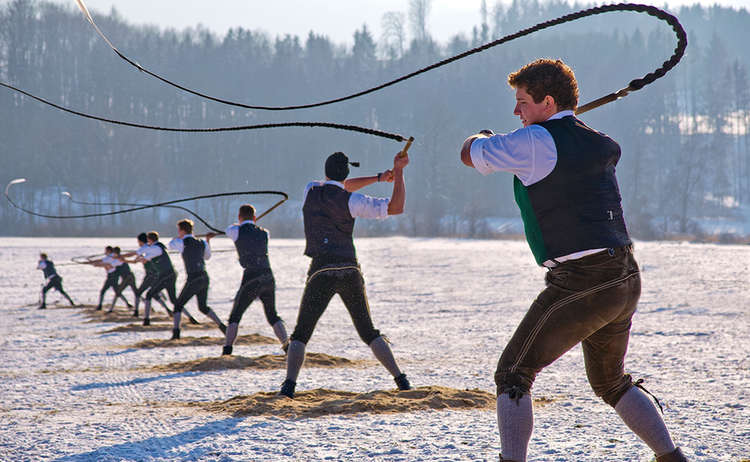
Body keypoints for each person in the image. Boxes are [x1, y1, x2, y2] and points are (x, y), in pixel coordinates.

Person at [459, 59, 686, 462]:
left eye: (523, 102)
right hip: (624, 276)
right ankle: (672, 458)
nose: (517, 112)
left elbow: (468, 154)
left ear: (547, 102)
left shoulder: (533, 142)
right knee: (611, 381)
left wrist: (485, 136)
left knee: (513, 374)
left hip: (583, 281)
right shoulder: (595, 139)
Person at [278, 150, 411, 398]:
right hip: (349, 269)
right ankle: (401, 380)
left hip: (321, 270)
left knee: (301, 333)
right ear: (346, 174)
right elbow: (396, 207)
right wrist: (398, 172)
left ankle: (288, 387)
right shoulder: (353, 200)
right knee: (368, 331)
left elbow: (339, 185)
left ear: (325, 171)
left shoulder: (311, 190)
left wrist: (381, 177)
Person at [222, 204, 288, 356]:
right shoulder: (265, 233)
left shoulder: (235, 230)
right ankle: (287, 347)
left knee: (235, 316)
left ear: (239, 217)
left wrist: (240, 224)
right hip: (268, 275)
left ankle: (227, 352)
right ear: (255, 217)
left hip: (251, 276)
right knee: (272, 315)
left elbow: (228, 229)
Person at [168, 219, 226, 340]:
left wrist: (177, 237)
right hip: (204, 277)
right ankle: (221, 325)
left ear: (182, 230)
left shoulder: (182, 242)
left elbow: (171, 244)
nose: (178, 232)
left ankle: (176, 333)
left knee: (178, 305)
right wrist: (208, 241)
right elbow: (207, 257)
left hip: (193, 278)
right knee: (203, 307)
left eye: (179, 230)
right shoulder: (202, 243)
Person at [120, 233, 173, 318]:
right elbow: (137, 259)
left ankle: (137, 313)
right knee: (154, 295)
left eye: (138, 241)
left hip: (150, 275)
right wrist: (124, 260)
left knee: (139, 293)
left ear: (141, 241)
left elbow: (137, 258)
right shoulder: (147, 248)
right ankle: (168, 310)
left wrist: (121, 257)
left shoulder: (146, 248)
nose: (138, 243)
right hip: (154, 274)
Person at [137, 231, 181, 328]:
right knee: (173, 300)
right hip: (168, 275)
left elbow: (142, 255)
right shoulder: (155, 248)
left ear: (149, 239)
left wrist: (136, 255)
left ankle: (146, 320)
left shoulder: (156, 248)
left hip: (166, 275)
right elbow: (143, 258)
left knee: (149, 295)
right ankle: (190, 318)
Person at [89, 246, 131, 311]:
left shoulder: (110, 257)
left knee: (104, 291)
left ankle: (100, 306)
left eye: (105, 251)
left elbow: (105, 263)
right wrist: (92, 262)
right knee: (117, 292)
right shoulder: (110, 257)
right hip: (113, 276)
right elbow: (102, 261)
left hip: (112, 277)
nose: (104, 252)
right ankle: (128, 304)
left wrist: (94, 264)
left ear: (108, 251)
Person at [108, 247, 138, 313]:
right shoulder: (120, 258)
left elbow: (109, 266)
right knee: (136, 293)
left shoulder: (118, 260)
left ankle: (111, 309)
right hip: (131, 276)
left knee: (118, 292)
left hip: (127, 278)